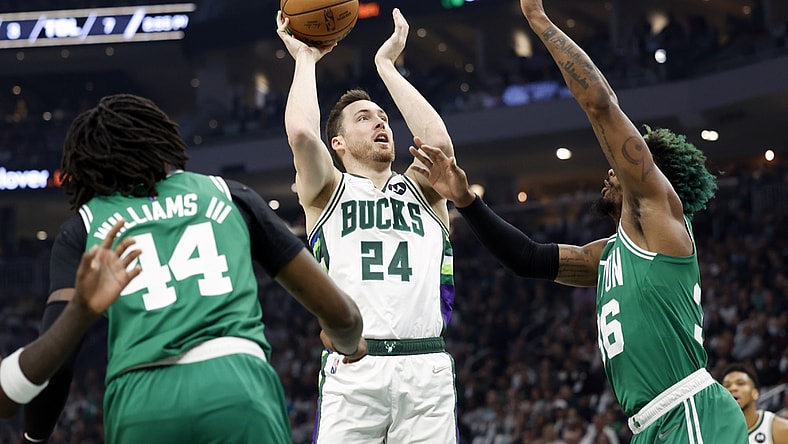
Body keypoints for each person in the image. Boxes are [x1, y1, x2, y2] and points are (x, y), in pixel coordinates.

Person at [408, 0, 749, 442]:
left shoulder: (659, 213)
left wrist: (539, 20)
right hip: (652, 425)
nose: (609, 171)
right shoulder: (607, 256)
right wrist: (464, 199)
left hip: (690, 412)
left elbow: (601, 106)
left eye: (619, 168)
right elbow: (527, 259)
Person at [21, 93, 366, 444]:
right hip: (238, 386)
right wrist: (349, 344)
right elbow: (342, 314)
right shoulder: (228, 194)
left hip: (140, 400)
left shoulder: (83, 226)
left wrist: (34, 435)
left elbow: (57, 357)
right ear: (162, 139)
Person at [276, 7, 459, 443]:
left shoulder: (423, 190)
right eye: (364, 117)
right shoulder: (326, 190)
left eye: (382, 117)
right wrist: (305, 58)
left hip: (425, 366)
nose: (380, 121)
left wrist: (386, 66)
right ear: (337, 143)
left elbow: (439, 144)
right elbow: (302, 134)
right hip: (354, 365)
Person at [1, 219, 139, 420]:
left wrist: (80, 311)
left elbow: (5, 397)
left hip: (140, 394)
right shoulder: (200, 195)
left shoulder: (79, 228)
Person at [722, 363, 788, 444]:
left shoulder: (776, 428)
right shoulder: (715, 432)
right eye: (727, 386)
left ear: (755, 393)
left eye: (740, 383)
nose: (732, 388)